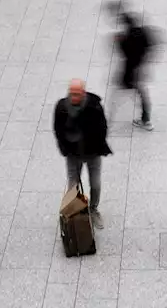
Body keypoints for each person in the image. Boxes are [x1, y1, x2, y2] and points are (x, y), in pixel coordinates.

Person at [53, 79, 112, 228]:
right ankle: (75, 212)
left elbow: (102, 127)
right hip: (73, 154)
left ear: (83, 93)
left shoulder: (94, 106)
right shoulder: (62, 108)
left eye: (77, 94)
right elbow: (58, 130)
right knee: (73, 186)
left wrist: (96, 142)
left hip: (92, 153)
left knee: (96, 184)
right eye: (71, 93)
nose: (74, 97)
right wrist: (65, 148)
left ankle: (93, 209)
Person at [114, 9, 155, 130]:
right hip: (140, 68)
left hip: (131, 70)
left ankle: (145, 120)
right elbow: (150, 45)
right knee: (142, 93)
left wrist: (119, 42)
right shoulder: (143, 32)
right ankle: (145, 119)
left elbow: (124, 53)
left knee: (131, 89)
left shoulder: (126, 39)